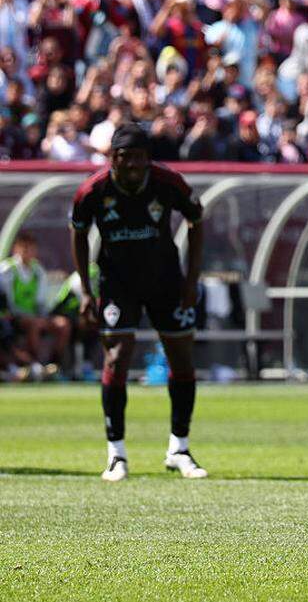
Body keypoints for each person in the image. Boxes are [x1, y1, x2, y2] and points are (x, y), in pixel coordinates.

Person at [69, 123, 207, 482]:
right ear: (112, 157)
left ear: (148, 159)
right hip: (117, 283)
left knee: (181, 355)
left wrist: (191, 280)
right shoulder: (93, 191)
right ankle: (116, 454)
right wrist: (86, 289)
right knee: (116, 355)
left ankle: (179, 447)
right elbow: (79, 233)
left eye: (139, 158)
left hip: (166, 282)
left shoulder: (168, 183)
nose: (132, 165)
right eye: (125, 157)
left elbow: (196, 220)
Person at [0, 233, 71, 379]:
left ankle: (54, 366)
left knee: (63, 324)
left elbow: (41, 303)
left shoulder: (38, 271)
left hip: (35, 316)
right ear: (16, 250)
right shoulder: (7, 269)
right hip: (14, 317)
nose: (28, 252)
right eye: (24, 248)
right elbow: (7, 302)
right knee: (35, 325)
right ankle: (35, 366)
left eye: (31, 248)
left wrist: (45, 317)